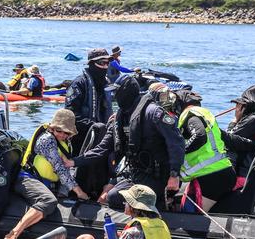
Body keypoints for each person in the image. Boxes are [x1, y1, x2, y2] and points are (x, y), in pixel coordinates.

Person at [72, 75, 185, 209]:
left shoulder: (153, 113)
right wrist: (74, 162)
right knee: (112, 196)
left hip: (157, 175)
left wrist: (174, 174)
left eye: (116, 92)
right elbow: (103, 148)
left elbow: (176, 143)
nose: (114, 95)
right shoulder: (122, 116)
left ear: (126, 91)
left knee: (122, 199)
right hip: (136, 173)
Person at [51, 184, 172, 239]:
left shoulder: (134, 233)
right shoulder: (162, 225)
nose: (124, 203)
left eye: (127, 201)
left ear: (133, 206)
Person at [19, 109, 89, 218]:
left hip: (51, 181)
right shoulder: (46, 140)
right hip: (33, 179)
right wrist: (79, 192)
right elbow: (60, 168)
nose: (62, 134)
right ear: (52, 128)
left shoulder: (65, 140)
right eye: (58, 130)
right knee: (50, 201)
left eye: (66, 132)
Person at [174, 90, 237, 211]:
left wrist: (180, 152)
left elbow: (199, 136)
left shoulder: (190, 115)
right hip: (221, 172)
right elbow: (227, 138)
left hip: (212, 177)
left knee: (188, 213)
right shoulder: (205, 116)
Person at [65, 48, 114, 154]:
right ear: (91, 64)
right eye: (102, 63)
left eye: (107, 63)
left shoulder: (106, 83)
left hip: (102, 136)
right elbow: (70, 114)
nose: (105, 67)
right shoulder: (79, 83)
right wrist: (94, 126)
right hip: (81, 138)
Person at [225, 83, 255, 179]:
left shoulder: (253, 120)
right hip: (253, 170)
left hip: (242, 173)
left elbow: (228, 139)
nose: (238, 107)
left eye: (241, 105)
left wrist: (235, 120)